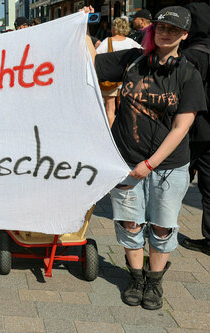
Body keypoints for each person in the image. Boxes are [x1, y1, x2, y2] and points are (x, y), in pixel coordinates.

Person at [83, 5, 207, 310]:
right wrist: (83, 28)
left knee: (163, 226)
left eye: (173, 30)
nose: (166, 34)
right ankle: (136, 277)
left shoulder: (188, 72)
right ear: (153, 29)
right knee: (130, 223)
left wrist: (149, 164)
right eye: (162, 28)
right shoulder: (131, 60)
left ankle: (154, 282)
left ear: (184, 35)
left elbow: (182, 127)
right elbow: (87, 63)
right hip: (125, 160)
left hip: (168, 166)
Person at [181, 2, 210, 255]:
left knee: (175, 177)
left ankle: (157, 225)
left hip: (193, 129)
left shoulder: (192, 54)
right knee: (209, 187)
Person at [95, 17, 141, 127]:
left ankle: (112, 136)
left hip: (110, 80)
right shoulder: (130, 42)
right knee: (124, 108)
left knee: (110, 109)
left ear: (114, 28)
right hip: (126, 79)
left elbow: (95, 57)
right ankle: (124, 129)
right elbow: (142, 52)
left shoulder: (108, 41)